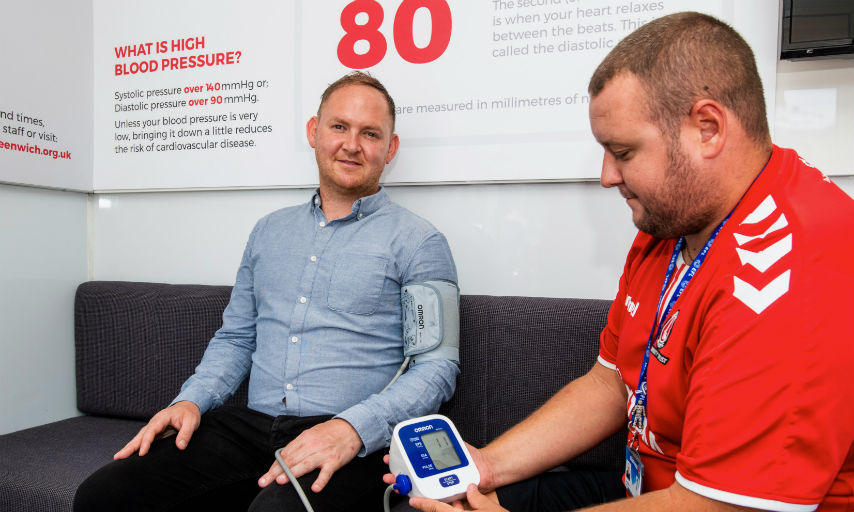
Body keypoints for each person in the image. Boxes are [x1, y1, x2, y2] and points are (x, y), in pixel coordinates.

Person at [389, 11, 854, 512]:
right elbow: (613, 380)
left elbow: (718, 506)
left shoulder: (789, 276)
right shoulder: (676, 215)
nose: (608, 175)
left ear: (708, 128)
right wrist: (484, 468)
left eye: (623, 151)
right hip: (650, 487)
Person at [74, 71, 461, 512]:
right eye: (339, 127)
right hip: (248, 428)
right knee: (104, 496)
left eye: (369, 133)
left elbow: (436, 369)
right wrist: (191, 399)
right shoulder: (268, 232)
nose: (352, 144)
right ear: (314, 132)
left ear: (390, 149)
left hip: (348, 436)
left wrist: (352, 429)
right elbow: (237, 338)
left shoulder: (419, 241)